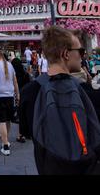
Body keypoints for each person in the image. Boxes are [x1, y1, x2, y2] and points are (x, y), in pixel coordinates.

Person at [19, 26, 100, 175]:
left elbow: (26, 131)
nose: (82, 56)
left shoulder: (28, 92)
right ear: (66, 54)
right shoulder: (88, 93)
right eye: (80, 51)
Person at [0, 48, 20, 156]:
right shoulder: (10, 65)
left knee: (1, 121)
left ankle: (5, 145)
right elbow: (15, 81)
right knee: (7, 120)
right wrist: (18, 94)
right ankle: (6, 141)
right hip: (10, 95)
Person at [11, 57, 31, 143]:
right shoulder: (25, 74)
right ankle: (29, 133)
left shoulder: (14, 75)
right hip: (27, 96)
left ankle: (21, 134)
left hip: (18, 96)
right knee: (27, 115)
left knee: (20, 115)